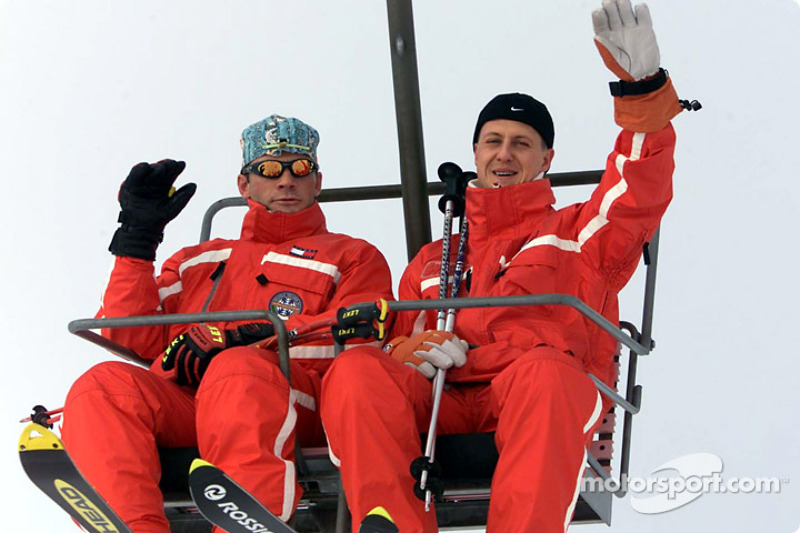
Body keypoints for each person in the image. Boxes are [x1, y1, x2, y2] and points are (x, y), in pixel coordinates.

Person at [321, 1, 685, 531]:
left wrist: (642, 91)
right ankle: (391, 522)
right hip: (441, 397)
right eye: (493, 141)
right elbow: (398, 337)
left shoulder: (579, 235)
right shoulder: (433, 258)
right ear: (475, 152)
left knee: (547, 375)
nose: (504, 154)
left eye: (521, 143)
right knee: (355, 371)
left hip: (525, 390)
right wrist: (402, 350)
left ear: (546, 159)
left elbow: (639, 190)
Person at [61, 114, 393, 532]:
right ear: (244, 184)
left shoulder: (351, 256)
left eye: (299, 168)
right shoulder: (197, 260)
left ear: (317, 181)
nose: (286, 180)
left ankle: (246, 523)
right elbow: (129, 335)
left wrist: (248, 337)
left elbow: (360, 331)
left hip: (298, 396)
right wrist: (136, 242)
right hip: (193, 402)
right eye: (270, 169)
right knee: (103, 384)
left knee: (237, 370)